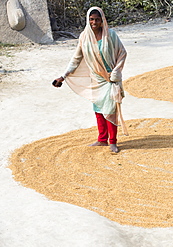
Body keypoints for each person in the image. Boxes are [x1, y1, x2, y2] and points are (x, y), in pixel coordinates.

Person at [53, 6, 128, 153]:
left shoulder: (110, 35)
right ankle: (102, 140)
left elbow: (122, 53)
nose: (94, 22)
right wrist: (63, 76)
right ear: (88, 20)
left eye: (97, 20)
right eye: (91, 19)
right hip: (96, 79)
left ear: (102, 21)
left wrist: (116, 72)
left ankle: (113, 142)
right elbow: (76, 58)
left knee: (111, 109)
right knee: (98, 109)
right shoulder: (84, 37)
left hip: (110, 78)